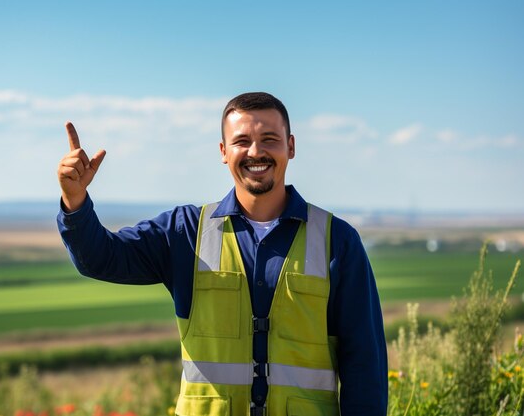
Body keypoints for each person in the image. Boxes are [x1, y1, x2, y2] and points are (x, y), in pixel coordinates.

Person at [57, 92, 388, 416]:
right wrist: (75, 202)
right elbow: (101, 258)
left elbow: (364, 364)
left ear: (291, 146)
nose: (255, 152)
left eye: (269, 139)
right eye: (242, 141)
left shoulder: (337, 240)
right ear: (223, 151)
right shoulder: (185, 232)